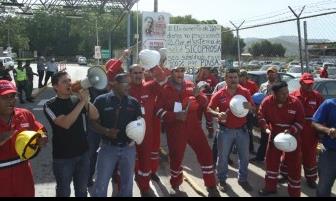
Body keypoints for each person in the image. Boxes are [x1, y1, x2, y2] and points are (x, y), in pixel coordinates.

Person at [155, 66, 220, 197]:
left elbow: (204, 103)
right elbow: (157, 111)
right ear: (171, 73)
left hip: (194, 126)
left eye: (182, 71)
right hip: (175, 128)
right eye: (176, 71)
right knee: (176, 157)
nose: (180, 74)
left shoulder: (191, 85)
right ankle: (175, 184)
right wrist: (175, 116)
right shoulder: (163, 88)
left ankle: (211, 185)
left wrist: (198, 95)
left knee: (206, 153)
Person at [43, 71, 99, 197]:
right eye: (64, 82)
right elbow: (65, 123)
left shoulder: (76, 99)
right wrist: (81, 103)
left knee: (82, 191)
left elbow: (95, 116)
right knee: (63, 191)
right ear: (55, 87)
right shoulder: (50, 105)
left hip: (83, 154)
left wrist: (86, 101)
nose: (69, 84)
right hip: (63, 157)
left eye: (69, 80)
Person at [92, 73, 142, 197]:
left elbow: (140, 123)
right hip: (108, 148)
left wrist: (136, 138)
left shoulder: (134, 103)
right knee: (101, 184)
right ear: (115, 84)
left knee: (127, 184)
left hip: (128, 148)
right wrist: (106, 131)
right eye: (126, 84)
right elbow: (93, 123)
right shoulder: (101, 100)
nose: (129, 87)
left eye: (130, 84)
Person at [208, 68, 255, 193]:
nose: (233, 80)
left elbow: (252, 108)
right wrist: (217, 114)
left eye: (235, 77)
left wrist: (248, 107)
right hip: (225, 131)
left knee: (244, 157)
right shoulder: (219, 94)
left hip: (242, 130)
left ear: (238, 78)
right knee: (222, 157)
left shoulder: (245, 92)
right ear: (225, 79)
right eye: (230, 77)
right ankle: (222, 180)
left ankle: (243, 179)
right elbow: (209, 109)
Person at [0, 80, 48, 196]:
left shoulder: (25, 115)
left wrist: (42, 139)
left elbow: (42, 131)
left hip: (23, 174)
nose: (11, 100)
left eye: (13, 96)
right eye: (5, 97)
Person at [258, 81, 305, 197]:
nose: (286, 95)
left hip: (292, 138)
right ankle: (270, 187)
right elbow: (261, 116)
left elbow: (301, 121)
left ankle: (294, 193)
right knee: (271, 163)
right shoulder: (267, 102)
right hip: (274, 135)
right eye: (282, 93)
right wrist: (265, 127)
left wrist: (291, 130)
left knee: (294, 166)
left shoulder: (295, 102)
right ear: (274, 93)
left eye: (287, 92)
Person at [279, 73, 324, 189]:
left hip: (310, 133)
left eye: (311, 84)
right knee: (289, 153)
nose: (309, 86)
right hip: (294, 131)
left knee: (310, 156)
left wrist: (321, 131)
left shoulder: (317, 97)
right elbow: (285, 112)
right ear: (301, 83)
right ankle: (284, 174)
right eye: (307, 84)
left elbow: (323, 115)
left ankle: (311, 178)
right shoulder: (293, 96)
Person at [129, 64, 164, 197]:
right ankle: (122, 187)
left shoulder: (149, 86)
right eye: (135, 73)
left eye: (140, 72)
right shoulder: (125, 88)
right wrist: (122, 60)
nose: (138, 75)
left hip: (146, 132)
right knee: (125, 162)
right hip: (128, 133)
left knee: (145, 160)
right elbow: (109, 78)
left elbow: (162, 78)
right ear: (130, 74)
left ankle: (144, 187)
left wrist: (153, 63)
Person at [250, 66, 279, 162]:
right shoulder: (263, 85)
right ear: (267, 75)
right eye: (269, 73)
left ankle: (275, 158)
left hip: (275, 113)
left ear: (276, 74)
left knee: (275, 136)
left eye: (273, 73)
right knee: (264, 136)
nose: (271, 74)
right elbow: (258, 97)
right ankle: (260, 157)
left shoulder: (280, 85)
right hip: (264, 112)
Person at [312, 98, 336, 197]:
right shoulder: (329, 104)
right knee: (324, 187)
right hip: (330, 151)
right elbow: (315, 123)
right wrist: (328, 130)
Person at [239, 69, 259, 153]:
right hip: (238, 110)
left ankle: (251, 148)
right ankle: (236, 148)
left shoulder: (252, 84)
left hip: (249, 111)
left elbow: (256, 98)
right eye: (240, 76)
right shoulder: (236, 85)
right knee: (238, 130)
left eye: (242, 76)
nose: (241, 78)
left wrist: (254, 109)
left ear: (246, 76)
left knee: (249, 130)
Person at [195, 67, 219, 138]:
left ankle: (210, 131)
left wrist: (209, 88)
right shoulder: (199, 77)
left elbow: (216, 89)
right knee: (198, 118)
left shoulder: (212, 78)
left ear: (208, 70)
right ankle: (198, 132)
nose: (203, 70)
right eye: (202, 69)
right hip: (199, 100)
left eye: (204, 69)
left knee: (209, 118)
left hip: (208, 101)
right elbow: (195, 84)